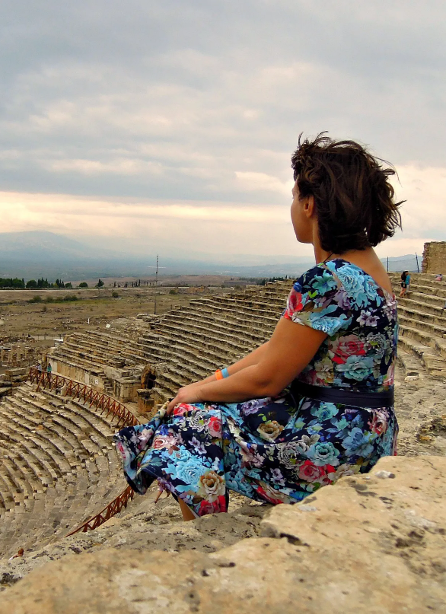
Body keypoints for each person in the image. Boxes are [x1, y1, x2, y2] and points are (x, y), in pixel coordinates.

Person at [114, 134, 402, 520]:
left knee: (185, 422)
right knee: (211, 405)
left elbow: (268, 380)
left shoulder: (325, 280)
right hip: (371, 436)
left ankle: (202, 531)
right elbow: (278, 349)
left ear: (309, 204)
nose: (292, 207)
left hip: (331, 448)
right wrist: (217, 378)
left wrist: (194, 393)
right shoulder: (372, 269)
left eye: (294, 196)